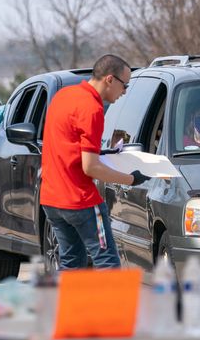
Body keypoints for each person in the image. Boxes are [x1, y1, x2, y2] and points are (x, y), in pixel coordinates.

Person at [40, 54, 147, 270]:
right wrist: (130, 179)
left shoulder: (63, 96)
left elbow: (66, 144)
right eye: (124, 85)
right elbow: (90, 167)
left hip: (52, 200)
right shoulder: (92, 109)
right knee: (107, 262)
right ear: (110, 79)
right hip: (82, 203)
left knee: (71, 263)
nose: (125, 91)